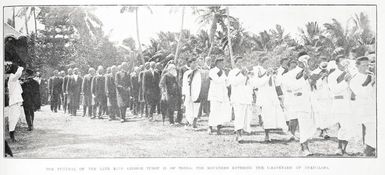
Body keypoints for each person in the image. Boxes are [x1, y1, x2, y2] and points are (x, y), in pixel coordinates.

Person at [285, 52, 316, 156]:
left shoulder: (310, 71)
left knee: (309, 126)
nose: (306, 62)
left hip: (310, 102)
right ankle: (304, 148)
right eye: (304, 60)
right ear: (298, 61)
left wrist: (311, 76)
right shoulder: (290, 74)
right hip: (300, 103)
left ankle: (304, 146)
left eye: (308, 60)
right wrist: (304, 77)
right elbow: (292, 87)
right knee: (303, 125)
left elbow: (314, 85)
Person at [251, 57, 287, 142]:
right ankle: (266, 135)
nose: (267, 65)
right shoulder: (258, 71)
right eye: (266, 63)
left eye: (268, 63)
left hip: (272, 96)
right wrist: (267, 75)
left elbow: (277, 83)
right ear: (262, 63)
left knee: (273, 115)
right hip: (264, 97)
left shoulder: (270, 72)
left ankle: (273, 132)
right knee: (266, 116)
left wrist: (275, 75)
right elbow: (257, 84)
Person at [328, 55, 354, 155]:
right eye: (342, 62)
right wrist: (345, 81)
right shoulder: (333, 75)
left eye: (346, 62)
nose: (345, 64)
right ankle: (339, 148)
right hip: (339, 103)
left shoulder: (350, 73)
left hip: (350, 103)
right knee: (343, 125)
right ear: (337, 63)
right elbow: (335, 89)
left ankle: (344, 149)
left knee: (349, 126)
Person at [349, 56, 376, 156]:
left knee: (372, 128)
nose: (366, 67)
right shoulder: (354, 78)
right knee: (368, 128)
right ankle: (368, 149)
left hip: (372, 106)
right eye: (363, 65)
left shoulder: (371, 75)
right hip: (361, 107)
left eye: (368, 65)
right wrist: (369, 82)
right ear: (357, 66)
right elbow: (360, 93)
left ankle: (370, 148)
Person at [228, 57, 254, 141]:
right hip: (238, 98)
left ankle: (240, 133)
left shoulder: (246, 71)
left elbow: (251, 84)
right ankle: (238, 135)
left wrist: (248, 76)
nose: (240, 63)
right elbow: (233, 82)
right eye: (239, 62)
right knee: (239, 116)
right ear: (235, 63)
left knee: (246, 118)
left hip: (246, 98)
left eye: (242, 61)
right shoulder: (233, 72)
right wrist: (242, 75)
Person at [207, 58, 231, 135]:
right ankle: (210, 127)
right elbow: (217, 80)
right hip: (215, 95)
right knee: (214, 111)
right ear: (217, 63)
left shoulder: (223, 72)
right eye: (221, 63)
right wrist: (224, 77)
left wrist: (227, 78)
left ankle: (218, 128)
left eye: (223, 63)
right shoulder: (212, 71)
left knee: (221, 112)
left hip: (222, 95)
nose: (223, 65)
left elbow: (227, 83)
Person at [6, 64, 24, 142]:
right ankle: (12, 136)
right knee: (13, 119)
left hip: (16, 102)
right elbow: (18, 74)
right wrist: (20, 68)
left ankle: (12, 135)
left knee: (15, 118)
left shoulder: (14, 79)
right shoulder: (12, 77)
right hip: (14, 102)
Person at [182, 58, 200, 128]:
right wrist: (184, 94)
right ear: (190, 64)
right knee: (188, 107)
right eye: (193, 63)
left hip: (196, 92)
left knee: (196, 107)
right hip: (188, 93)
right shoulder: (186, 73)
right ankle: (188, 122)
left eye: (195, 63)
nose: (194, 64)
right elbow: (184, 84)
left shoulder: (199, 73)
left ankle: (194, 123)